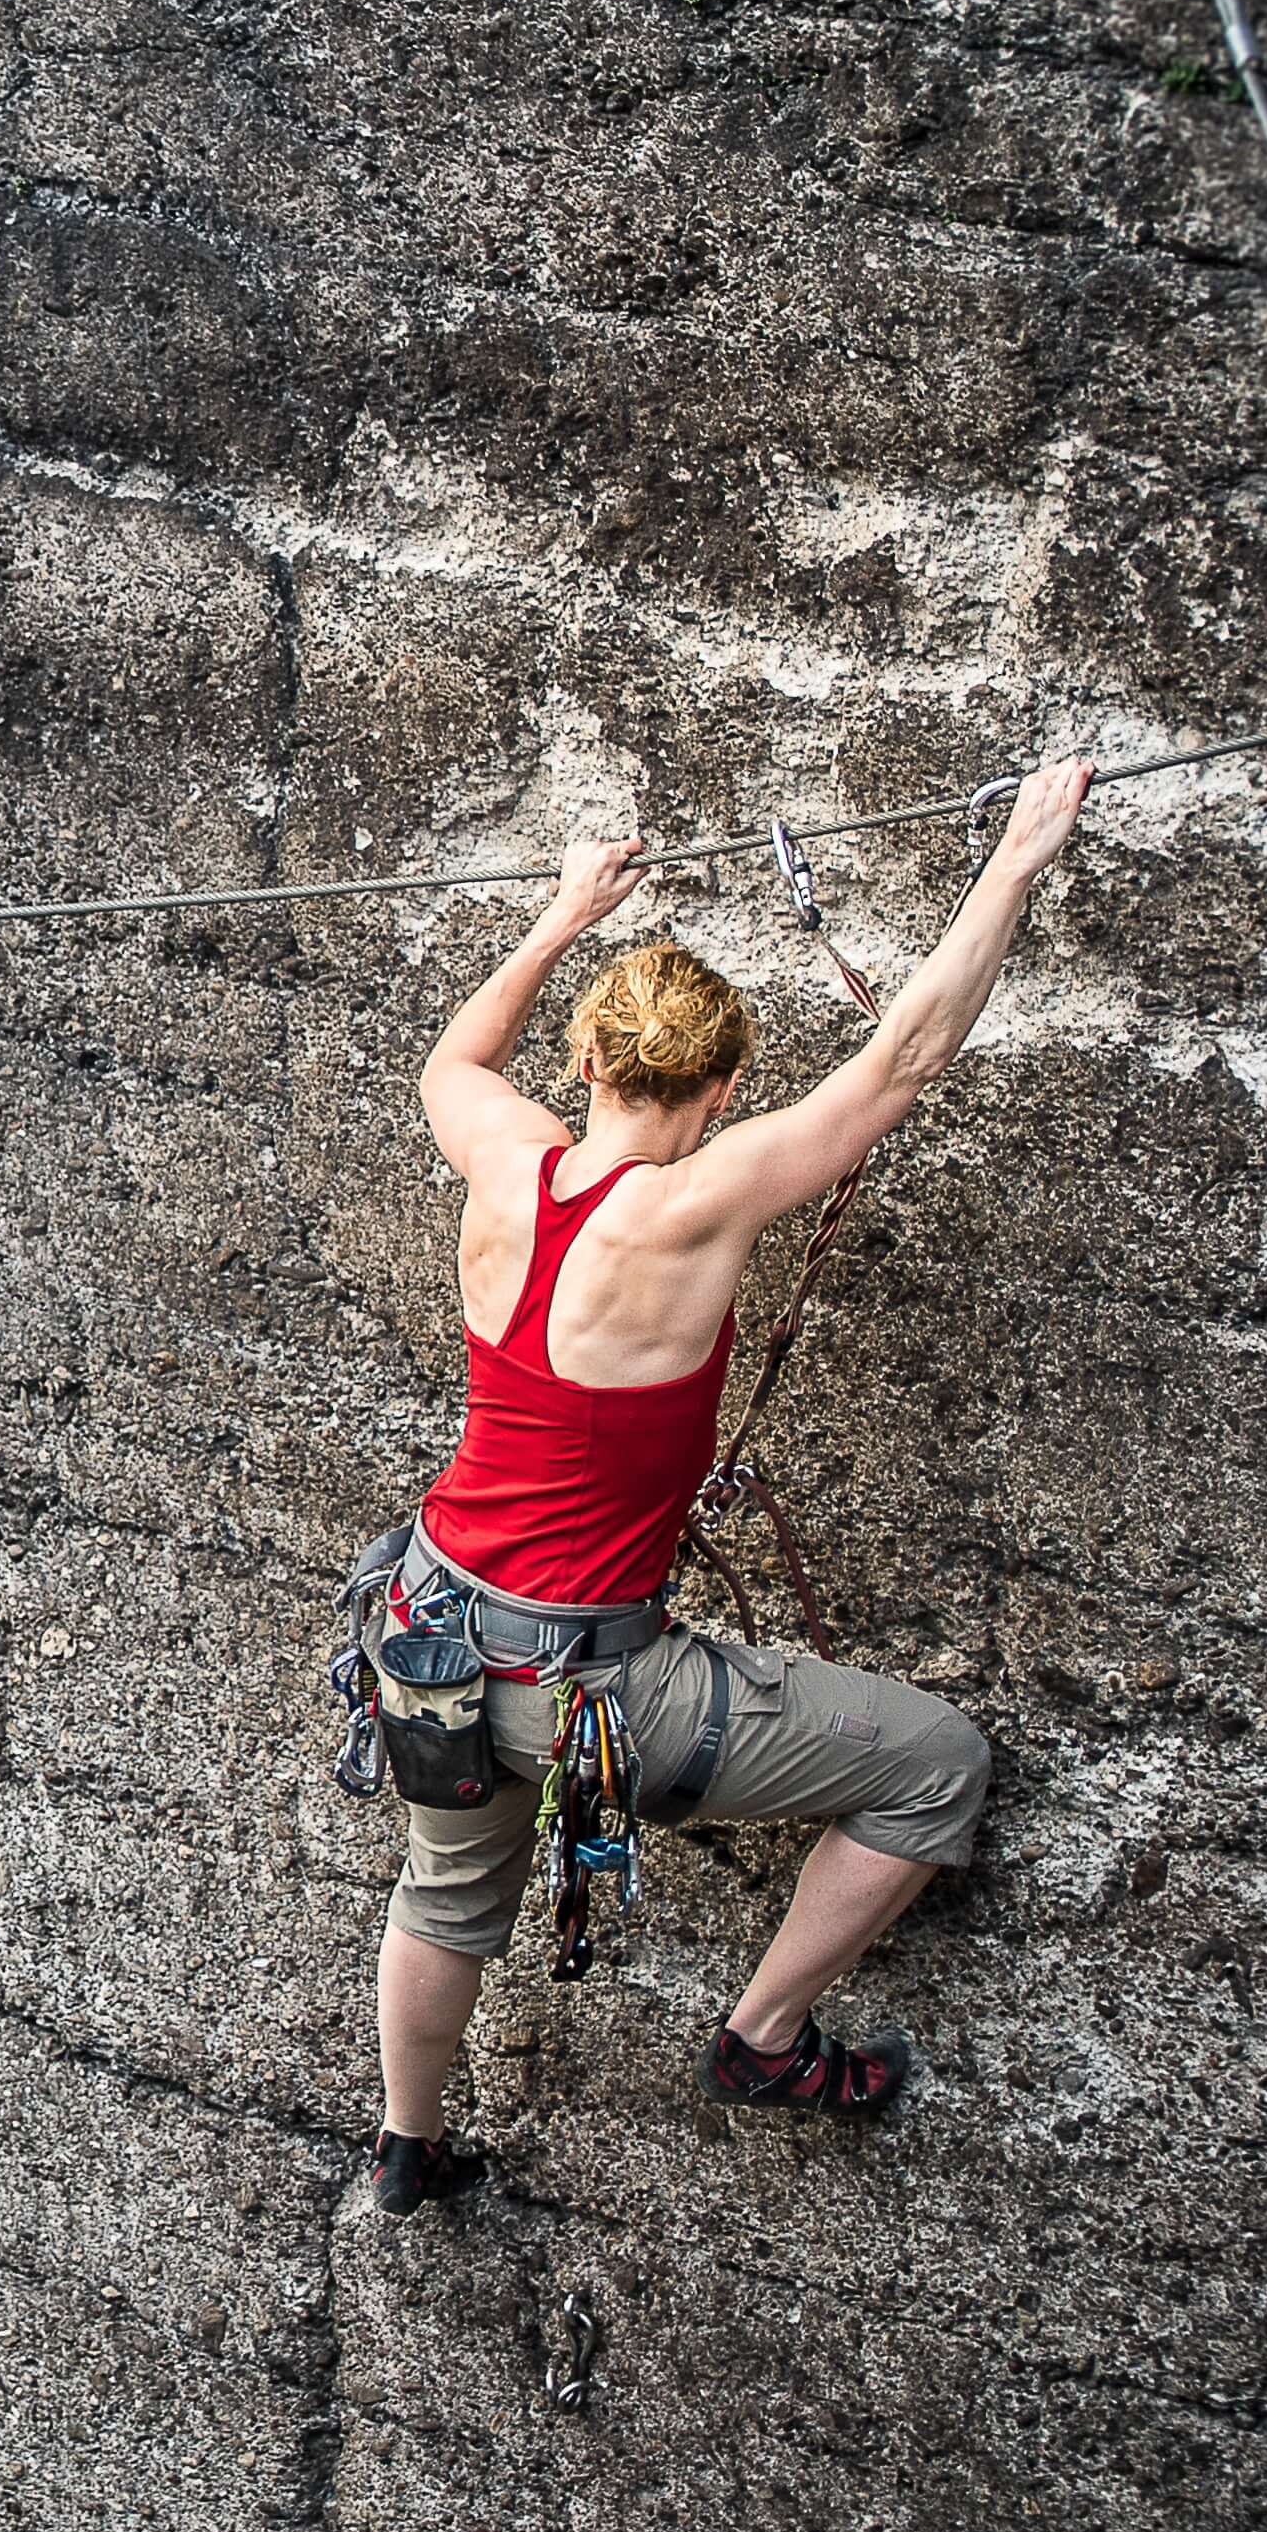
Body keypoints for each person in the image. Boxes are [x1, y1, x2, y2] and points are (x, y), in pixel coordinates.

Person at [364, 761, 1094, 2214]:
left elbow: (450, 1059)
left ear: (581, 1061)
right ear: (719, 1089)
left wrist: (561, 911)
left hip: (432, 1632)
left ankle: (407, 2142)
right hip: (593, 1689)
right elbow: (899, 1063)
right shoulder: (696, 1201)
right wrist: (1013, 860)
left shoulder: (500, 1154)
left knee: (444, 1894)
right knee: (933, 1760)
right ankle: (761, 2038)